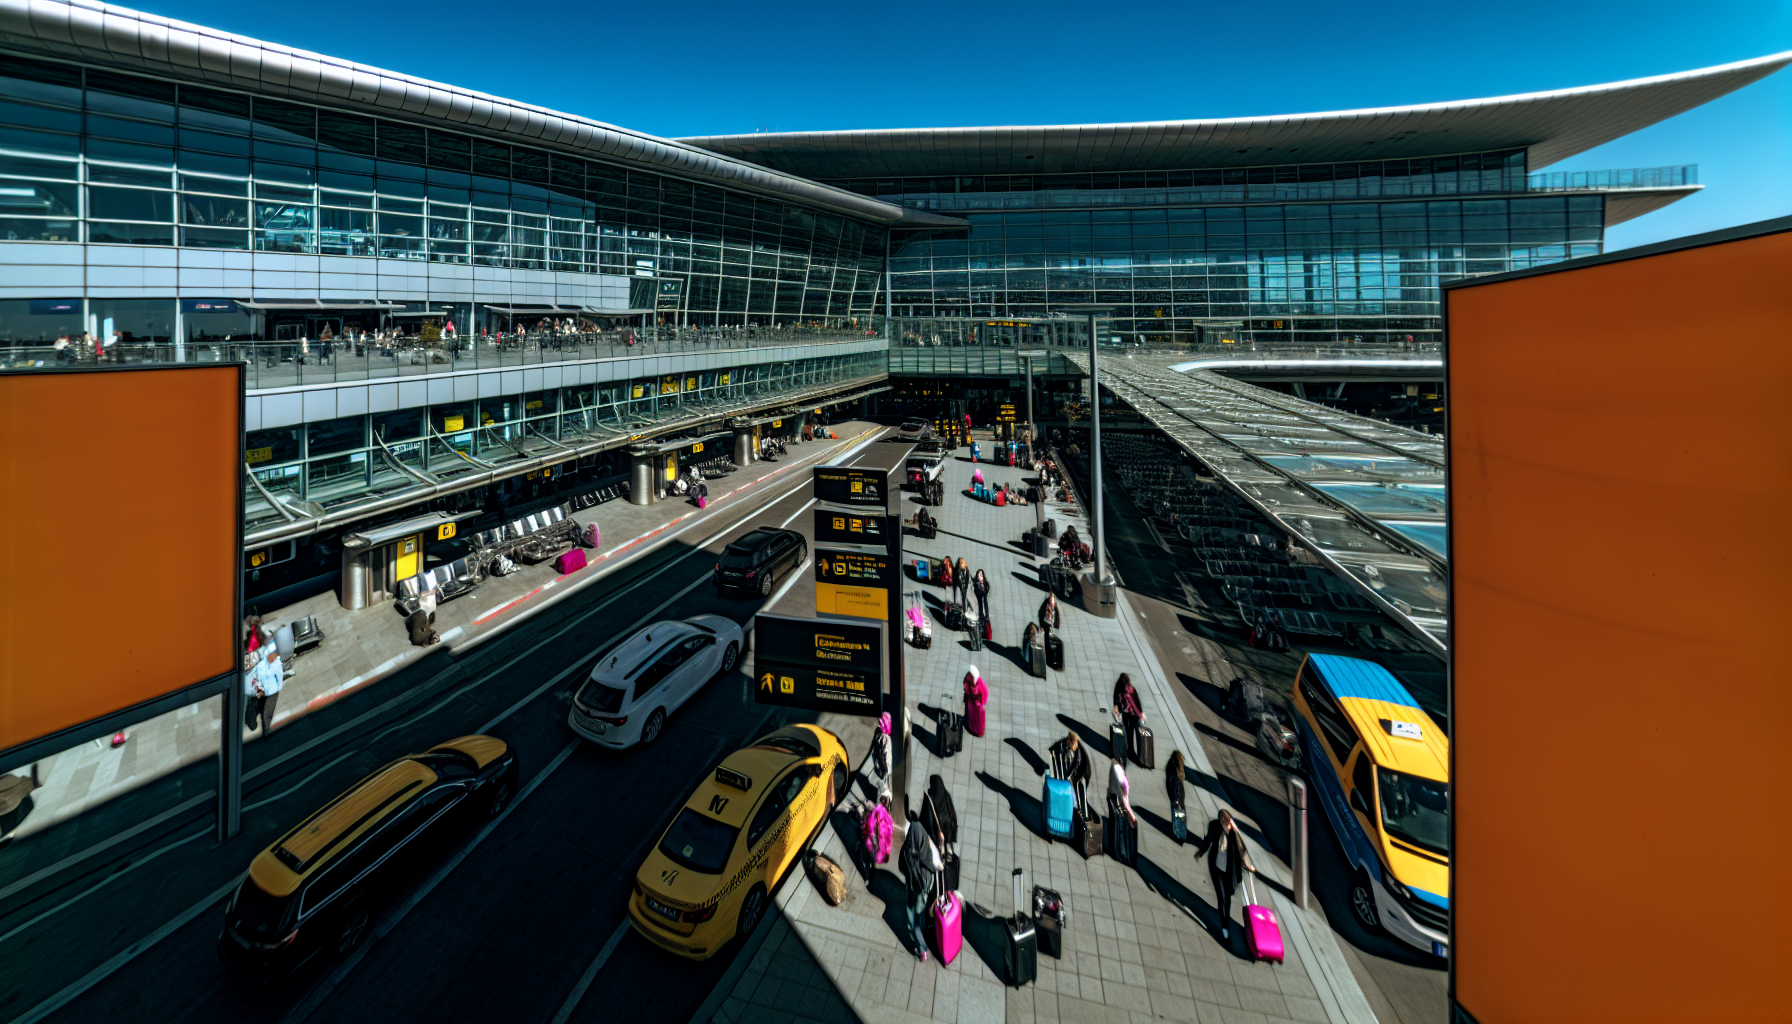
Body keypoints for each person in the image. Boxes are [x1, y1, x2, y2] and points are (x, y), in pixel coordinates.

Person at [1191, 809, 1256, 941]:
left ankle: (1225, 919)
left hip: (1229, 870)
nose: (1226, 828)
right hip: (1216, 868)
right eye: (1224, 825)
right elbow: (1208, 839)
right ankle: (1225, 926)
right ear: (1221, 822)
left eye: (1228, 826)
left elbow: (1242, 850)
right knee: (1222, 897)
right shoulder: (1214, 825)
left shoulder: (1234, 834)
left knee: (1228, 898)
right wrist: (1200, 852)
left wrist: (1235, 829)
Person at [900, 808, 942, 961]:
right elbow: (930, 864)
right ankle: (924, 932)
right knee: (920, 913)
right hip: (923, 887)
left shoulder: (910, 843)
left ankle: (922, 948)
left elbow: (903, 865)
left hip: (914, 886)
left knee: (913, 921)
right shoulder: (923, 839)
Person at [246, 645, 283, 734]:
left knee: (265, 711)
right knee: (258, 708)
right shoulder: (261, 665)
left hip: (266, 692)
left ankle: (265, 730)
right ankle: (257, 725)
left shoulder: (274, 664)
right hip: (258, 692)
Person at [1113, 672, 1146, 755]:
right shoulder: (1131, 688)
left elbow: (1116, 700)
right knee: (1132, 731)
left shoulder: (1119, 688)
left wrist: (1116, 709)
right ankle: (1133, 750)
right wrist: (1140, 713)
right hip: (1133, 714)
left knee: (1128, 731)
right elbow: (1137, 701)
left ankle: (1129, 748)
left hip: (1127, 713)